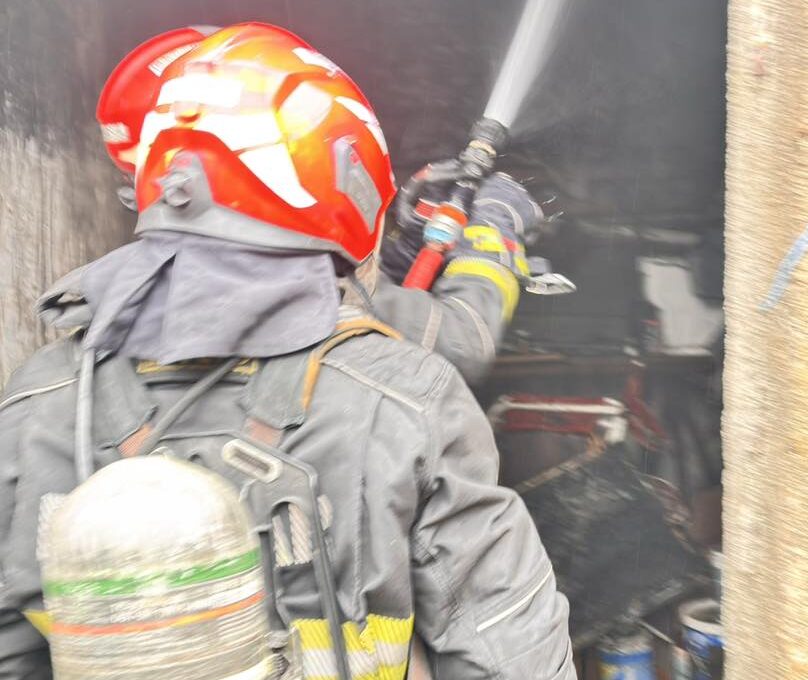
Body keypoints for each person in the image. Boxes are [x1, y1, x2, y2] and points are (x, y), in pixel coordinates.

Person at [0, 22, 575, 679]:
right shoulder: (404, 396)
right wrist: (495, 231)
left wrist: (397, 253)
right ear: (340, 175)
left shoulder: (36, 401)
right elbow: (511, 654)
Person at [94, 27, 544, 385]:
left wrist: (399, 256)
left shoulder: (111, 299)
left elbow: (366, 303)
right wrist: (492, 235)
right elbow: (465, 342)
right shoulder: (303, 291)